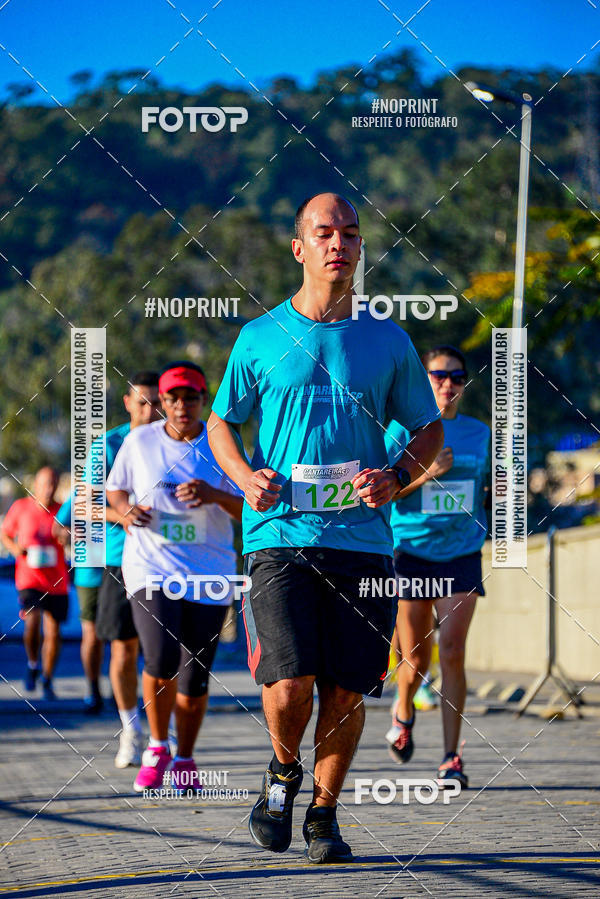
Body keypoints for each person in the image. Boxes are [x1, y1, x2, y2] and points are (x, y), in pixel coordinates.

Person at [207, 192, 443, 863]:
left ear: (360, 248)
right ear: (299, 247)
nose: (338, 243)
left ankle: (323, 814)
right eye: (323, 232)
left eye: (350, 233)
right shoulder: (259, 337)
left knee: (346, 687)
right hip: (279, 532)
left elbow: (428, 428)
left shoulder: (388, 340)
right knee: (289, 683)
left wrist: (397, 476)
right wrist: (243, 474)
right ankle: (283, 771)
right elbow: (223, 420)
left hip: (363, 542)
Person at [106, 361, 243, 792]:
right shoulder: (140, 441)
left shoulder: (223, 443)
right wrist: (126, 511)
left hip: (209, 571)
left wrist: (213, 494)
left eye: (191, 397)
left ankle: (185, 758)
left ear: (205, 400)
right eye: (172, 398)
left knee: (194, 675)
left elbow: (251, 507)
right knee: (161, 657)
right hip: (151, 567)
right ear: (162, 402)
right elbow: (115, 489)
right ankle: (157, 745)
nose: (181, 406)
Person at [385, 345, 490, 789]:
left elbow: (489, 489)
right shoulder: (398, 430)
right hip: (412, 552)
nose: (448, 384)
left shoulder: (480, 433)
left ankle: (451, 757)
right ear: (423, 380)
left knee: (453, 651)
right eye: (438, 376)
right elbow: (384, 492)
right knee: (415, 659)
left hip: (462, 552)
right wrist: (426, 473)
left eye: (457, 377)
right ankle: (403, 710)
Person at [53, 371, 161, 765]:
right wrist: (124, 514)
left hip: (170, 558)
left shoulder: (177, 440)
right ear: (128, 402)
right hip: (119, 561)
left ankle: (161, 732)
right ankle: (130, 729)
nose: (151, 410)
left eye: (157, 401)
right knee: (121, 646)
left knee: (161, 653)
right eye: (143, 401)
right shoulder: (109, 445)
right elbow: (81, 508)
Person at [1, 467, 69, 700]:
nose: (49, 489)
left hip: (57, 581)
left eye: (53, 484)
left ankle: (48, 678)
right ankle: (32, 663)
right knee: (32, 622)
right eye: (45, 483)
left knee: (54, 632)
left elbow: (76, 536)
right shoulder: (21, 507)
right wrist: (15, 549)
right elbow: (5, 533)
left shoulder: (63, 510)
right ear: (36, 484)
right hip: (29, 579)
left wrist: (67, 536)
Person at [52, 496, 104, 713]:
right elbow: (57, 527)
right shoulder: (81, 493)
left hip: (127, 572)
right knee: (92, 634)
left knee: (125, 638)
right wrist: (70, 534)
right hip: (90, 574)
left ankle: (124, 692)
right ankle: (93, 689)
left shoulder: (133, 481)